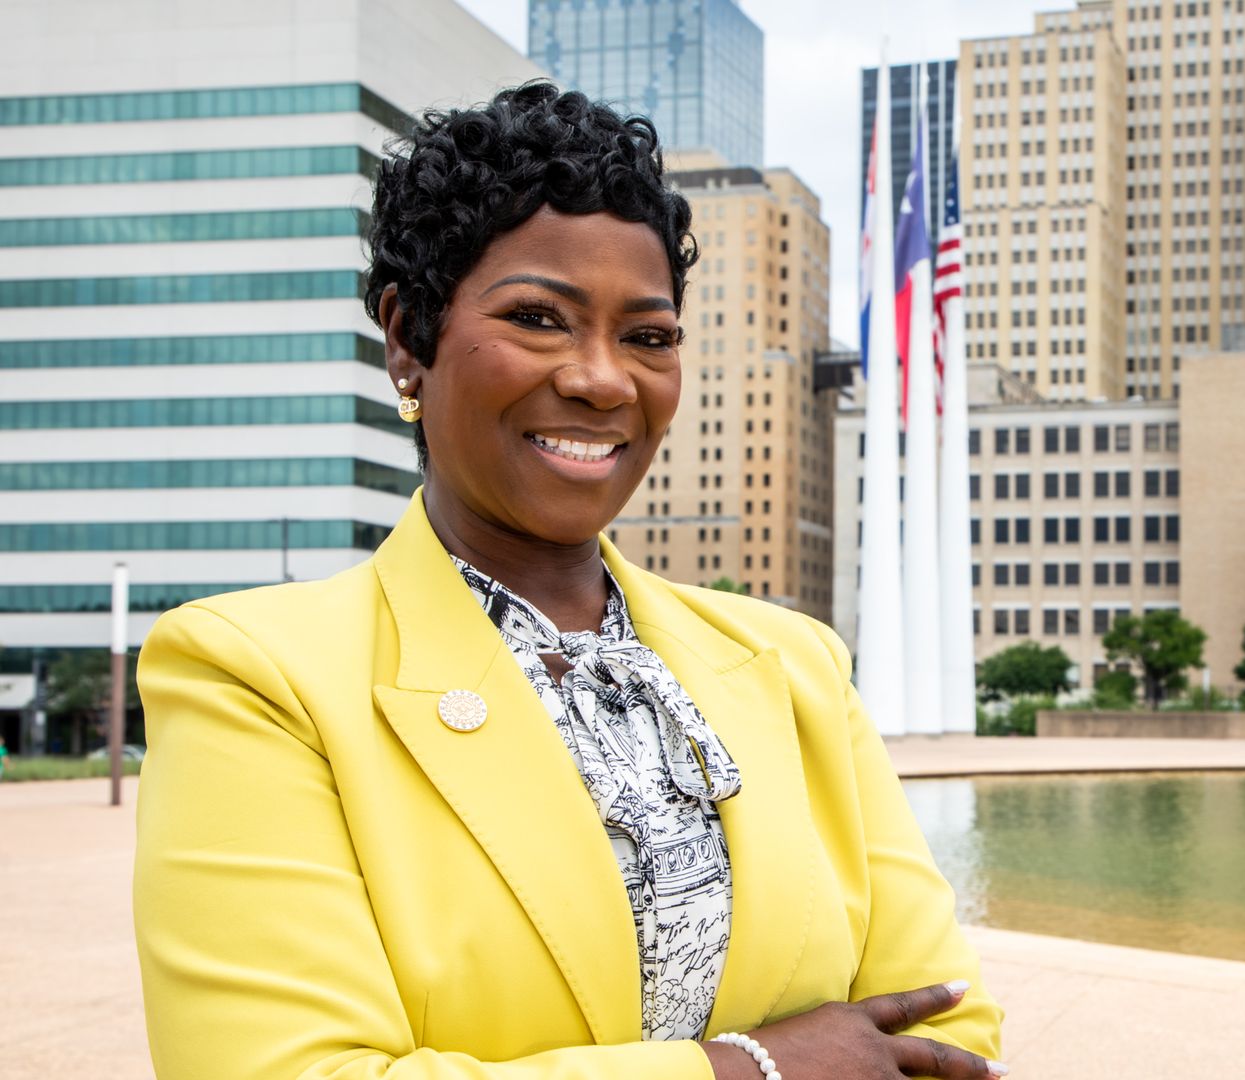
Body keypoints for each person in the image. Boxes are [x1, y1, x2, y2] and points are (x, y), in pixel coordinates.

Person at [133, 82, 1003, 1079]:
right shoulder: (256, 679)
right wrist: (747, 1068)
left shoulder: (794, 663)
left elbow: (949, 1035)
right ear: (409, 341)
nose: (604, 379)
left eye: (649, 335)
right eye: (540, 318)